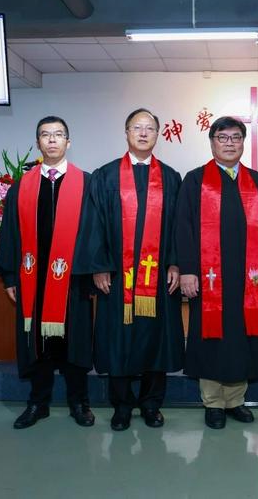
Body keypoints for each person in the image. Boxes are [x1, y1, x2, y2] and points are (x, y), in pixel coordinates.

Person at [80, 108, 184, 431]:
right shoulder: (106, 176)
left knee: (156, 342)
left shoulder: (170, 177)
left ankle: (152, 405)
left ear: (158, 134)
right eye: (136, 127)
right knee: (118, 342)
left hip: (157, 280)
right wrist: (99, 266)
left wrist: (176, 263)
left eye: (149, 128)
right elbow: (94, 224)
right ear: (125, 133)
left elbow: (180, 226)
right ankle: (121, 406)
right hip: (117, 278)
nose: (143, 133)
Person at [0, 115, 95, 429]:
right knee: (37, 347)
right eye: (45, 135)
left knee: (74, 346)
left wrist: (92, 273)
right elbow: (10, 232)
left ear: (69, 141)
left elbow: (96, 232)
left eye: (58, 134)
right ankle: (39, 403)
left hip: (73, 280)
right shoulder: (23, 185)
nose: (51, 140)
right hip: (33, 279)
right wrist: (10, 276)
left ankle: (79, 402)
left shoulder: (86, 183)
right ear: (38, 142)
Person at [175, 116, 258, 430]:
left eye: (235, 137)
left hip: (248, 279)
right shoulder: (195, 180)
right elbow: (183, 228)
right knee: (212, 337)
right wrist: (188, 270)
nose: (230, 143)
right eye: (223, 137)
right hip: (209, 277)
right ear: (212, 141)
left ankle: (236, 400)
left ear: (244, 142)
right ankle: (213, 402)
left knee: (242, 337)